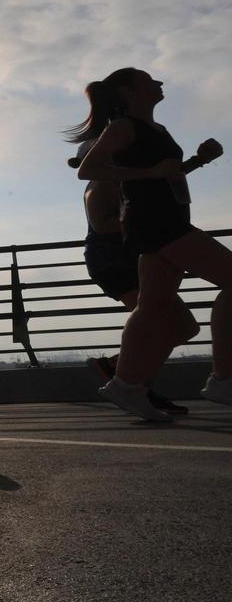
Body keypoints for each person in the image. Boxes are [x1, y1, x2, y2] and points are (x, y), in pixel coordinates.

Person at [73, 68, 228, 420]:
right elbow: (89, 170)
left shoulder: (157, 129)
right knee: (168, 311)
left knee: (157, 310)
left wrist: (197, 162)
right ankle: (224, 377)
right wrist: (150, 176)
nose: (159, 82)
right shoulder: (123, 127)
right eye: (149, 80)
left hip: (166, 221)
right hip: (153, 228)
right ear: (128, 91)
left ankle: (127, 385)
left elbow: (162, 176)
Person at [67, 141, 194, 415]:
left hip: (133, 258)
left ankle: (121, 372)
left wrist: (197, 161)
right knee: (165, 324)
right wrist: (146, 220)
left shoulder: (124, 181)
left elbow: (164, 181)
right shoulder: (101, 185)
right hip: (114, 262)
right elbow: (102, 224)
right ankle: (134, 386)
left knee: (184, 328)